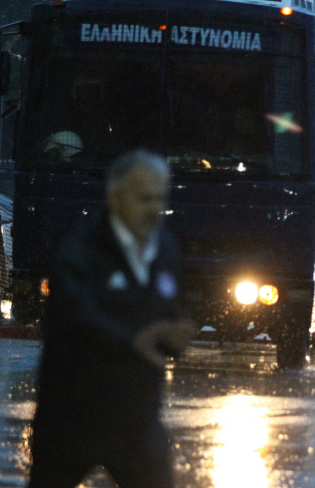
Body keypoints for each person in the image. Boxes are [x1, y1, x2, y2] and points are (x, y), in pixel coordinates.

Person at [28, 150, 196, 488]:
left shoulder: (165, 248)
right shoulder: (79, 250)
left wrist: (179, 333)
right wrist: (132, 340)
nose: (154, 209)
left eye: (160, 198)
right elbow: (76, 316)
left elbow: (173, 310)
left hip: (138, 421)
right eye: (144, 198)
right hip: (72, 419)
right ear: (114, 198)